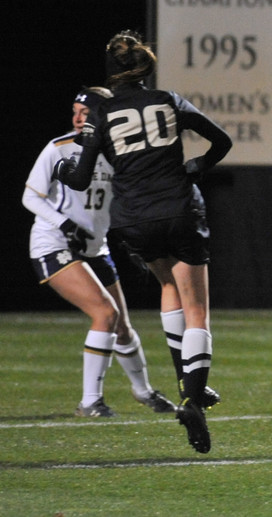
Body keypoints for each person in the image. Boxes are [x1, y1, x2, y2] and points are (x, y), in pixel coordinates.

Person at [56, 30, 233, 453]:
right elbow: (221, 141)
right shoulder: (168, 100)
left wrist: (63, 171)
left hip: (133, 218)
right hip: (177, 207)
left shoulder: (102, 112)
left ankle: (189, 386)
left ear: (111, 73)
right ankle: (193, 395)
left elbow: (79, 178)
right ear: (145, 67)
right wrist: (197, 165)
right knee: (197, 309)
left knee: (169, 288)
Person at [22, 86, 176, 418]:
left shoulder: (121, 154)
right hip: (54, 243)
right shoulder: (59, 148)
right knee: (105, 315)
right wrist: (64, 225)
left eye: (85, 112)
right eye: (75, 111)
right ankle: (90, 402)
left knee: (122, 326)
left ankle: (144, 391)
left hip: (95, 246)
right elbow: (30, 197)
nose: (78, 118)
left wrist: (134, 239)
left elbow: (121, 204)